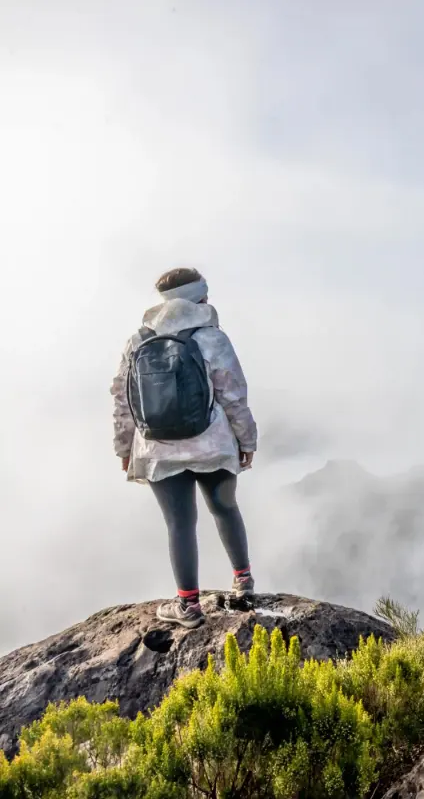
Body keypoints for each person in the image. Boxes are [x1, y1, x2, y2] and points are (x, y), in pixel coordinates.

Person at [111, 267, 259, 629]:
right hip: (213, 443)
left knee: (179, 524)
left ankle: (188, 606)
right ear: (200, 297)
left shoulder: (138, 340)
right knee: (225, 508)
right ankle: (243, 582)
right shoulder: (211, 337)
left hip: (158, 449)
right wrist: (247, 440)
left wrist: (124, 448)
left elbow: (122, 398)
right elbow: (233, 393)